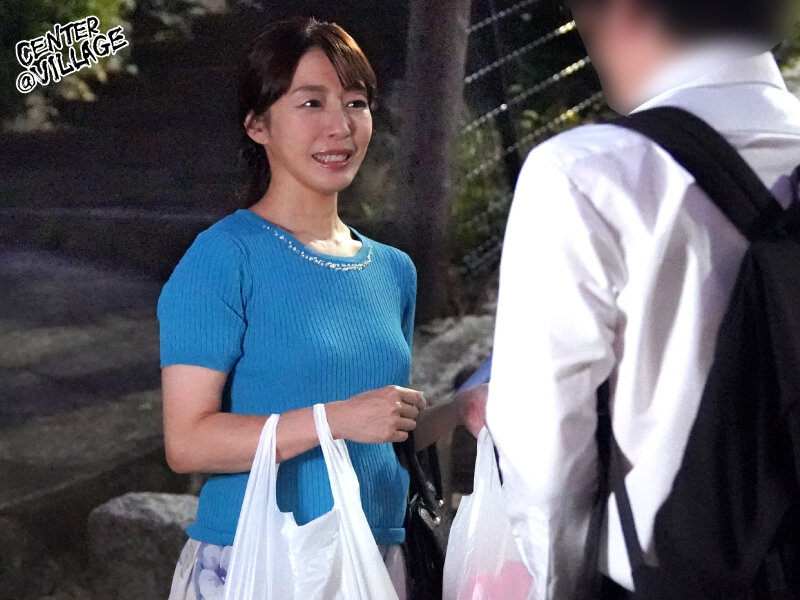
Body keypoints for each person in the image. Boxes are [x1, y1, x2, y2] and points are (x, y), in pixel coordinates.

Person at [485, 0, 800, 598]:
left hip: (680, 571)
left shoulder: (585, 174)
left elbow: (545, 457)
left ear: (626, 13)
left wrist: (558, 584)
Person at [158, 17, 431, 600]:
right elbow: (187, 443)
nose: (341, 126)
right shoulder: (224, 257)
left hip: (377, 553)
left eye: (355, 103)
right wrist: (333, 420)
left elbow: (377, 425)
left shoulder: (393, 270)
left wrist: (466, 412)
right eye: (311, 102)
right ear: (257, 124)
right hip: (262, 557)